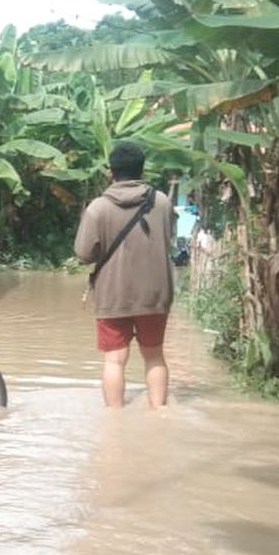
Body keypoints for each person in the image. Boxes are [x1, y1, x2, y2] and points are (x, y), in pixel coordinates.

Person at [74, 140, 175, 408]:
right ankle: (159, 414)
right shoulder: (163, 202)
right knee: (154, 356)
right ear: (142, 171)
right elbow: (168, 240)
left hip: (113, 294)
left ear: (111, 172)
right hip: (155, 294)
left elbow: (84, 254)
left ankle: (115, 421)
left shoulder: (98, 207)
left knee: (114, 360)